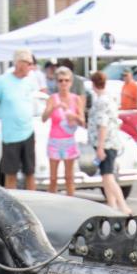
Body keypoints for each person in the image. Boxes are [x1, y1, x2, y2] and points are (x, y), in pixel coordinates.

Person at [0, 49, 39, 190]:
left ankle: (33, 200)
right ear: (19, 63)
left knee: (30, 172)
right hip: (10, 135)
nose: (31, 67)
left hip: (28, 132)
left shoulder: (30, 81)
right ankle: (10, 201)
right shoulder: (2, 81)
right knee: (10, 174)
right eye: (29, 64)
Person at [86, 69, 133, 214]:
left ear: (93, 84)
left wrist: (100, 147)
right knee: (106, 176)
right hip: (111, 141)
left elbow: (103, 124)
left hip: (105, 144)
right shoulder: (110, 98)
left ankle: (123, 205)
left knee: (108, 176)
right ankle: (112, 206)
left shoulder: (101, 101)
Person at [45, 64, 84, 197]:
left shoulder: (76, 99)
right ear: (56, 82)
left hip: (69, 141)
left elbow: (83, 122)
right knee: (53, 178)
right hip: (54, 141)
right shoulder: (53, 98)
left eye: (66, 80)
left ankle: (71, 202)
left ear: (71, 82)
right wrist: (54, 107)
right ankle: (51, 203)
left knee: (69, 177)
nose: (63, 83)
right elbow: (44, 118)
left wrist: (75, 117)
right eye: (60, 80)